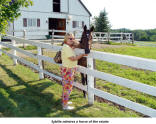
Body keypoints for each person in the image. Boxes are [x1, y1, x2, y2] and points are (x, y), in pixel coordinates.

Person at [61, 33, 88, 110]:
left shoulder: (68, 47)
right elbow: (73, 58)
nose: (72, 40)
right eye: (70, 39)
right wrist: (82, 55)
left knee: (66, 87)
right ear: (66, 39)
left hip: (69, 69)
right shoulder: (66, 47)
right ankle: (65, 106)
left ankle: (64, 102)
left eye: (73, 38)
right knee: (68, 88)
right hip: (68, 70)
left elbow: (72, 51)